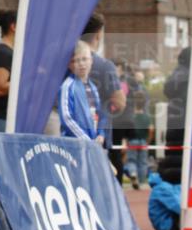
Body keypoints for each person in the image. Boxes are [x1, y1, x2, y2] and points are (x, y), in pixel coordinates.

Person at [82, 12, 126, 180]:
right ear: (99, 34)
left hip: (69, 131)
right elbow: (120, 102)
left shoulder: (66, 62)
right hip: (98, 132)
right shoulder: (104, 66)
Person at [58, 40, 106, 145]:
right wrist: (85, 139)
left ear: (91, 60)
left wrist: (101, 134)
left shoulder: (93, 88)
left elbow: (100, 114)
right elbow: (66, 118)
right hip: (74, 145)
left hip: (92, 144)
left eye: (84, 59)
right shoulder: (67, 86)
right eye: (76, 60)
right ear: (70, 65)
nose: (81, 64)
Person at [124, 91, 154, 189]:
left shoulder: (130, 116)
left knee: (131, 160)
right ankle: (140, 181)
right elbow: (151, 129)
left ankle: (133, 173)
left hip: (132, 141)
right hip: (143, 141)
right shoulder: (147, 117)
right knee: (143, 162)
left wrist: (126, 141)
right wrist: (148, 141)